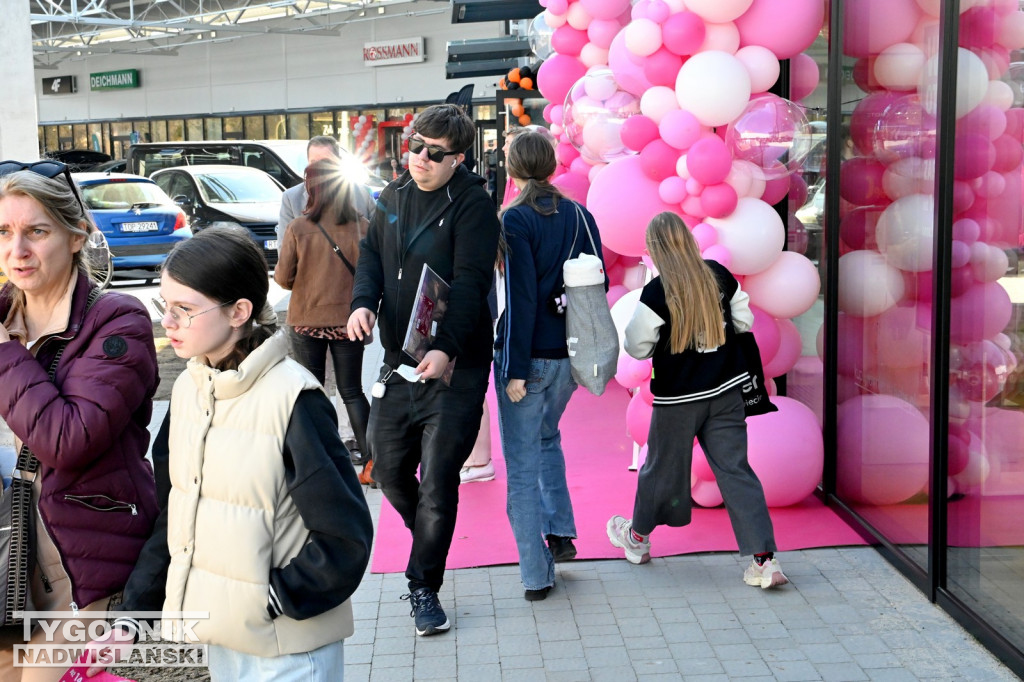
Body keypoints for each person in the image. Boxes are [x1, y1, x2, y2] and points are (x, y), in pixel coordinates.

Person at [87, 227, 374, 680]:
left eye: (184, 310)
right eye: (165, 305)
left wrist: (271, 598)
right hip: (224, 643)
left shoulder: (294, 398)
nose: (168, 322)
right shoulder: (188, 390)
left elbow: (346, 536)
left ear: (239, 311)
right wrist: (133, 614)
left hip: (290, 649)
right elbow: (175, 517)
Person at [0, 162, 160, 682]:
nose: (17, 250)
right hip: (10, 565)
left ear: (76, 236)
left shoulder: (117, 320)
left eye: (36, 232)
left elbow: (68, 440)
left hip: (87, 571)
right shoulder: (4, 316)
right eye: (3, 232)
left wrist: (4, 353)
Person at [347, 103, 500, 637]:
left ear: (458, 159)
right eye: (415, 146)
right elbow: (370, 255)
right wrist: (362, 302)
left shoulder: (473, 205)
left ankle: (423, 585)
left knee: (437, 482)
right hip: (400, 361)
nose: (421, 158)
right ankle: (429, 538)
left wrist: (448, 349)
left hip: (455, 367)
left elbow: (473, 282)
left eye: (436, 153)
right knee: (387, 468)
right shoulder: (393, 195)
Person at [606, 211, 788, 589]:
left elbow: (638, 348)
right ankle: (764, 560)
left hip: (677, 399)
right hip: (726, 391)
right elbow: (744, 323)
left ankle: (637, 539)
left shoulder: (657, 292)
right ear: (689, 241)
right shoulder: (718, 275)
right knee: (736, 471)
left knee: (660, 469)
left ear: (655, 250)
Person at [493, 132, 606, 601]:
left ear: (514, 169)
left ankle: (536, 575)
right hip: (570, 355)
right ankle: (559, 533)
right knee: (547, 437)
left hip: (529, 357)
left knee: (521, 467)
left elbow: (519, 298)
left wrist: (514, 369)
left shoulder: (514, 219)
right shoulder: (579, 214)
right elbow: (597, 278)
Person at [276, 135, 376, 465]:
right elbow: (374, 270)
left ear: (312, 189)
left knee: (311, 390)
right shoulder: (362, 225)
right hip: (350, 320)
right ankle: (373, 462)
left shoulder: (298, 228)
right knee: (352, 391)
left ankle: (318, 459)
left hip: (307, 321)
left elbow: (283, 278)